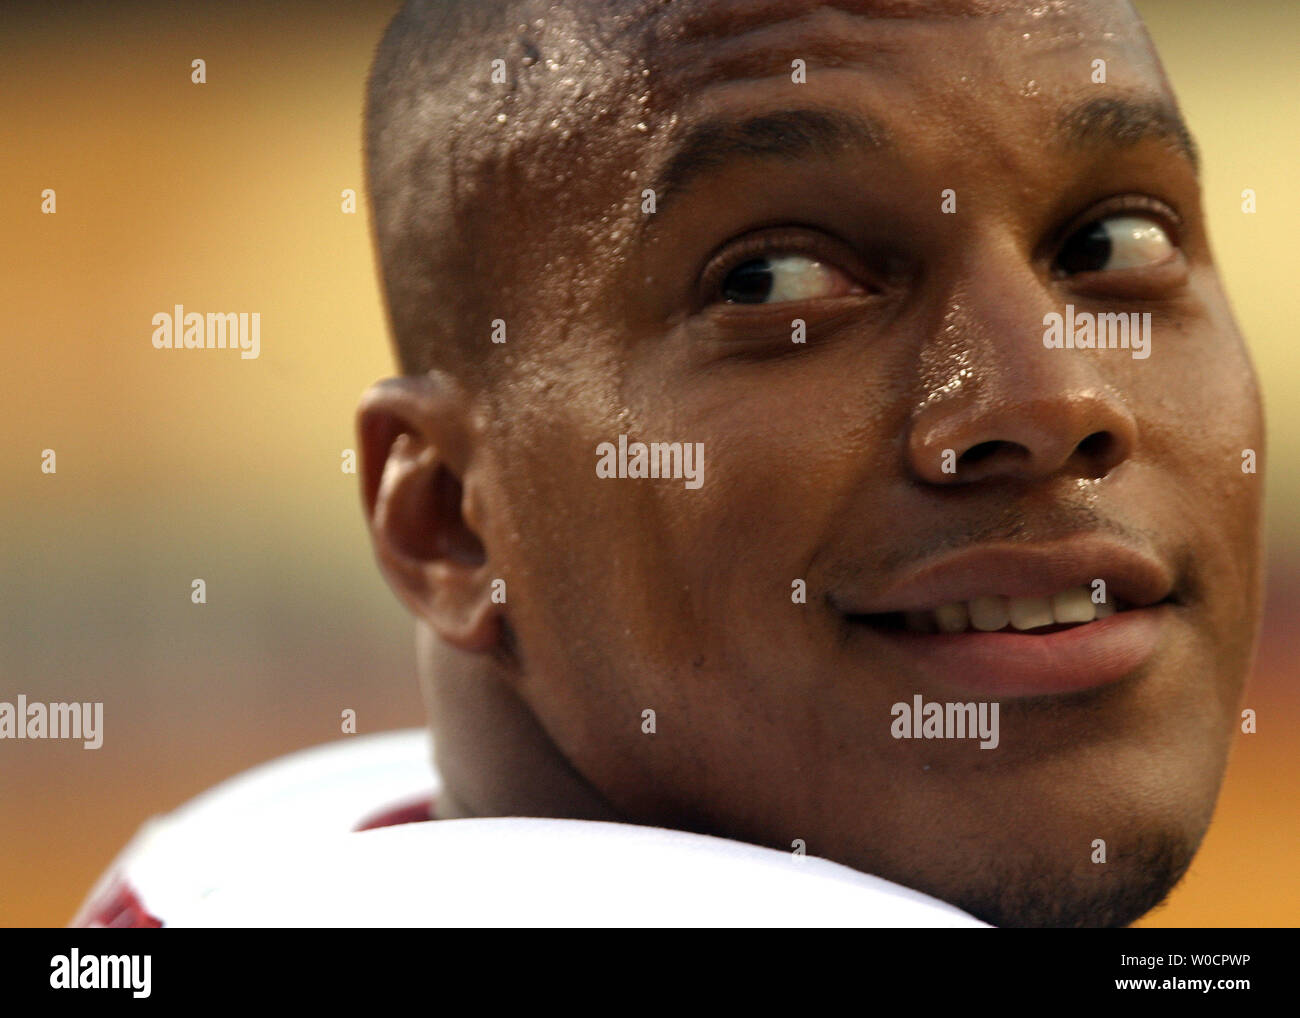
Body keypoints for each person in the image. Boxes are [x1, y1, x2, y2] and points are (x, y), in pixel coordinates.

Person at [75, 0, 1265, 928]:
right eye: (775, 281)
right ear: (446, 518)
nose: (1054, 400)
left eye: (1113, 240)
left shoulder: (255, 863)